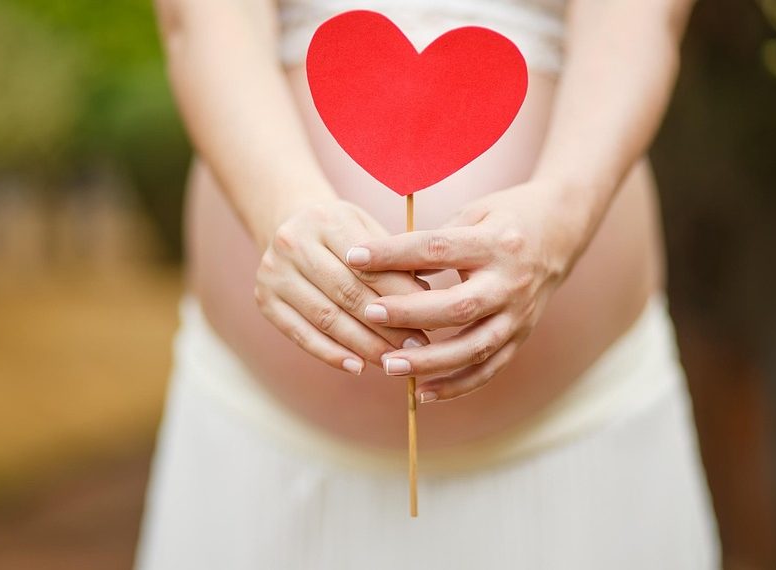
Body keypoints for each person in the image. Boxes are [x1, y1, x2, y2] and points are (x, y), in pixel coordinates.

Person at [136, 0, 721, 568]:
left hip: (583, 439)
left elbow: (640, 18)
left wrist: (563, 214)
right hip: (262, 445)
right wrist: (281, 207)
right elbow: (201, 19)